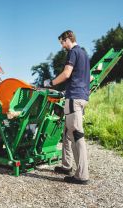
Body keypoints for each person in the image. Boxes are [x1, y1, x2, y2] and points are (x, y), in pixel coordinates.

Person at [44, 30, 90, 185]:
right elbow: (87, 77)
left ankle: (82, 175)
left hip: (74, 99)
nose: (62, 45)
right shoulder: (84, 54)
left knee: (76, 134)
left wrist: (50, 83)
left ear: (69, 39)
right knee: (67, 132)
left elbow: (66, 73)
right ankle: (67, 165)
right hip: (81, 96)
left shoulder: (73, 52)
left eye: (62, 42)